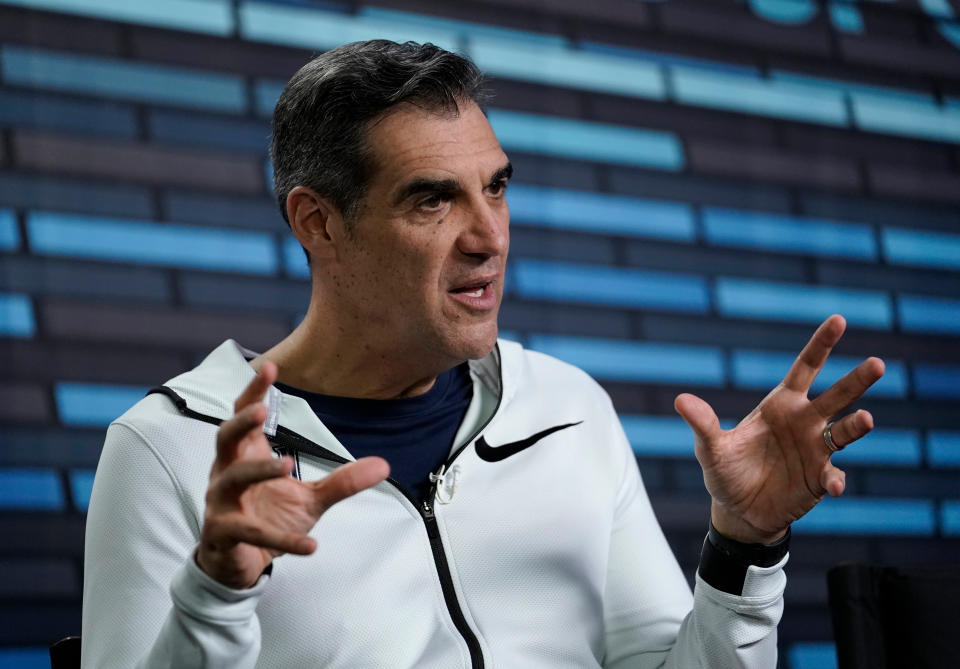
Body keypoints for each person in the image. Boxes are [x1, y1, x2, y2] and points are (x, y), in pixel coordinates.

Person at [81, 40, 884, 668]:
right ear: (318, 222)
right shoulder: (171, 448)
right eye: (434, 198)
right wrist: (216, 594)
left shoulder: (569, 406)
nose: (489, 236)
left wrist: (743, 545)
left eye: (496, 187)